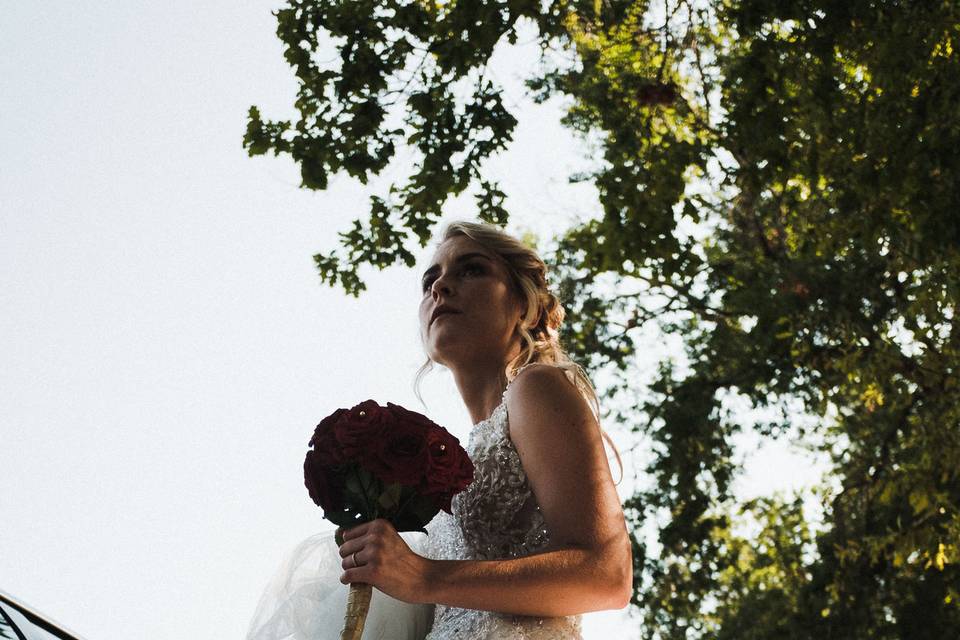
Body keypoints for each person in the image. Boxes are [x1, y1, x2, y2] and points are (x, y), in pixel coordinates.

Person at [246, 220, 632, 640]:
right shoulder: (451, 468)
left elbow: (607, 575)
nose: (441, 287)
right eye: (431, 279)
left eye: (471, 270)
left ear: (525, 305)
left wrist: (425, 577)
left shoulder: (536, 388)